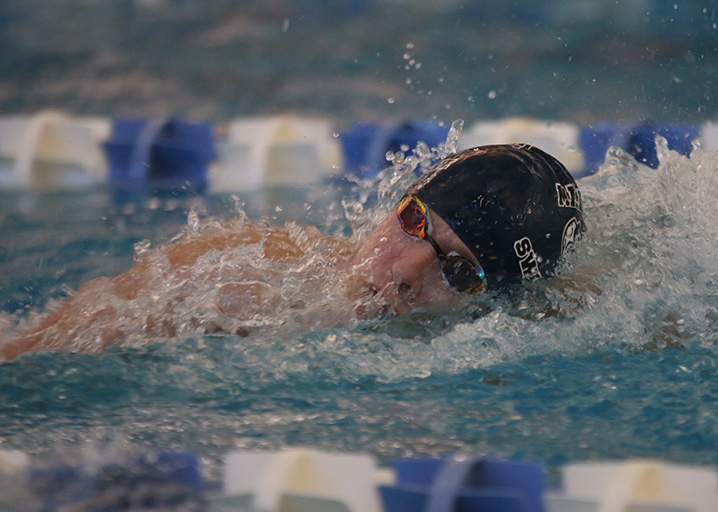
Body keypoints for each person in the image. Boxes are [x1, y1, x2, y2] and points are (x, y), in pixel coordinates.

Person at [0, 144, 584, 361]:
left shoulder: (507, 352)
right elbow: (32, 353)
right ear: (394, 203)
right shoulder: (247, 275)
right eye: (413, 221)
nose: (405, 273)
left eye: (458, 273)